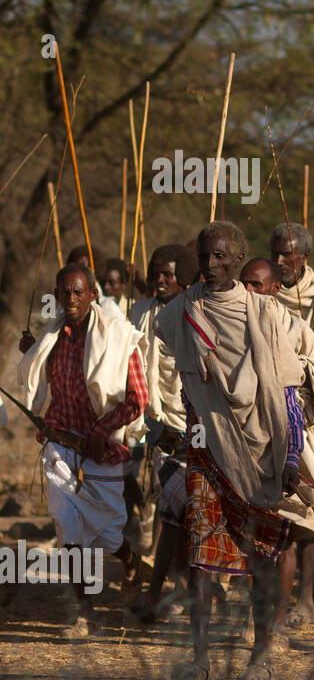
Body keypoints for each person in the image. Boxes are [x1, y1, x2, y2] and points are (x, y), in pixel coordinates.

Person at [155, 222, 306, 680]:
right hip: (205, 445)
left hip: (262, 450)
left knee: (261, 556)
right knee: (201, 552)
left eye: (222, 257)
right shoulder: (182, 311)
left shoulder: (265, 313)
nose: (211, 264)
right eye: (205, 255)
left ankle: (260, 655)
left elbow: (286, 394)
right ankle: (199, 657)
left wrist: (293, 458)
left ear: (238, 260)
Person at [16, 263, 149, 636]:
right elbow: (35, 377)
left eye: (78, 292)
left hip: (101, 450)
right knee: (68, 528)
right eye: (64, 292)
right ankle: (85, 612)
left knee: (106, 532)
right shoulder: (51, 337)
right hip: (59, 444)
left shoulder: (120, 338)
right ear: (56, 295)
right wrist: (31, 354)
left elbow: (138, 399)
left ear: (93, 295)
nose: (71, 299)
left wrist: (102, 429)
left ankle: (129, 558)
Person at [241, 257, 314, 637]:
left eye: (257, 285)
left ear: (274, 289)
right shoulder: (228, 327)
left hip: (290, 439)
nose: (248, 292)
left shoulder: (296, 329)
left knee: (286, 530)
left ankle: (278, 620)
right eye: (244, 283)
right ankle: (256, 616)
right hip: (243, 443)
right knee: (251, 534)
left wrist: (295, 371)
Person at [129, 244, 200, 624]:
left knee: (187, 514)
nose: (159, 279)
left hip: (199, 431)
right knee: (176, 512)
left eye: (168, 274)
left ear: (186, 279)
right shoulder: (139, 312)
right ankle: (170, 592)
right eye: (155, 272)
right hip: (160, 431)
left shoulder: (198, 313)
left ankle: (176, 591)